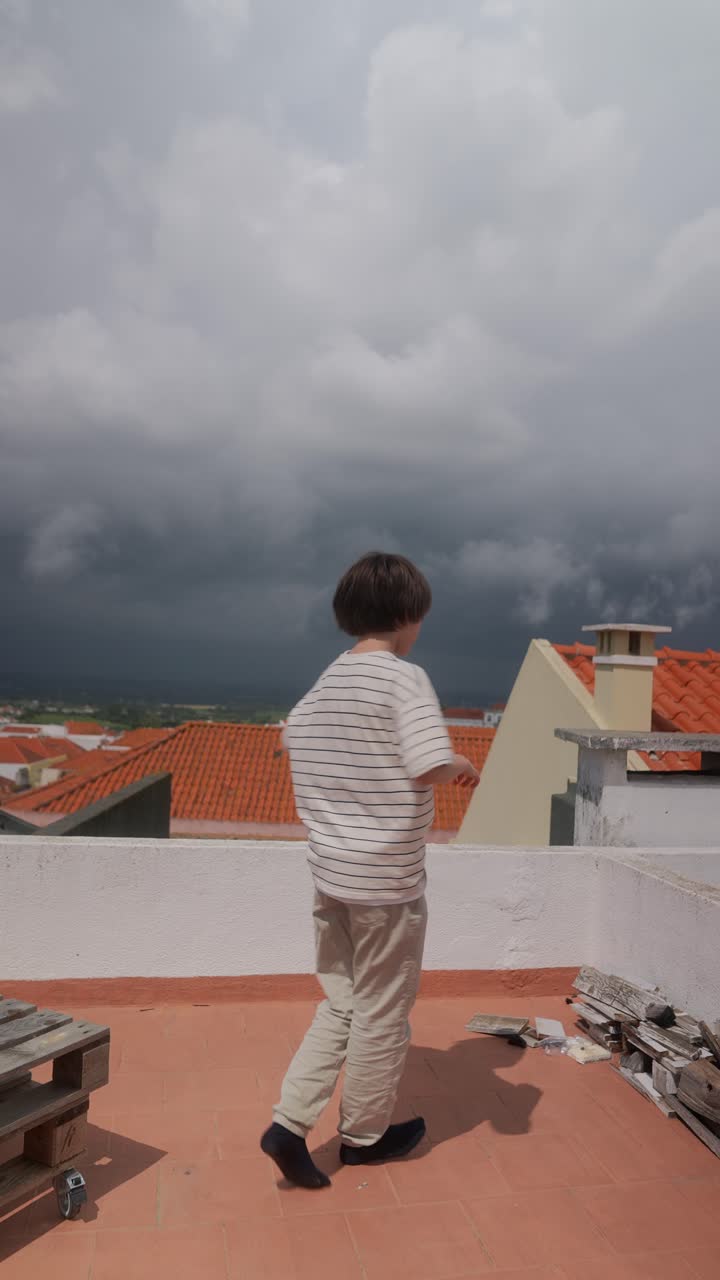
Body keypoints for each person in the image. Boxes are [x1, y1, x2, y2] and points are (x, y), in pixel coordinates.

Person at [260, 551, 480, 1188]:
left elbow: (289, 736)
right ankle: (364, 1137)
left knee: (343, 1003)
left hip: (331, 876)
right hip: (386, 884)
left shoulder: (326, 681)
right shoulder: (402, 679)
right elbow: (427, 759)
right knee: (383, 1009)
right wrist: (461, 763)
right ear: (409, 615)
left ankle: (289, 1123)